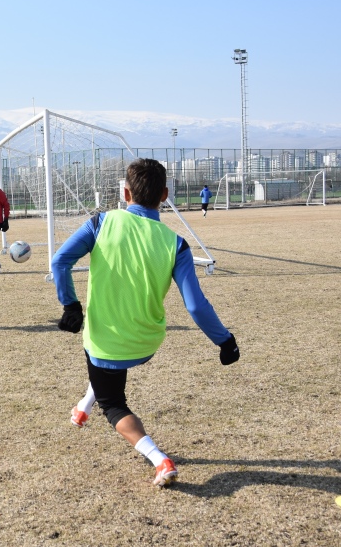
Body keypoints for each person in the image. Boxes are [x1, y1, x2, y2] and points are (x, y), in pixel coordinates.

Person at [51, 158, 239, 487]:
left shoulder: (100, 223)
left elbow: (60, 261)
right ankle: (83, 406)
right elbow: (195, 306)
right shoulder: (176, 243)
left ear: (125, 193)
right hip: (147, 343)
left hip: (106, 343)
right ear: (164, 194)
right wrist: (225, 341)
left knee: (113, 402)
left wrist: (70, 304)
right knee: (107, 369)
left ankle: (159, 459)